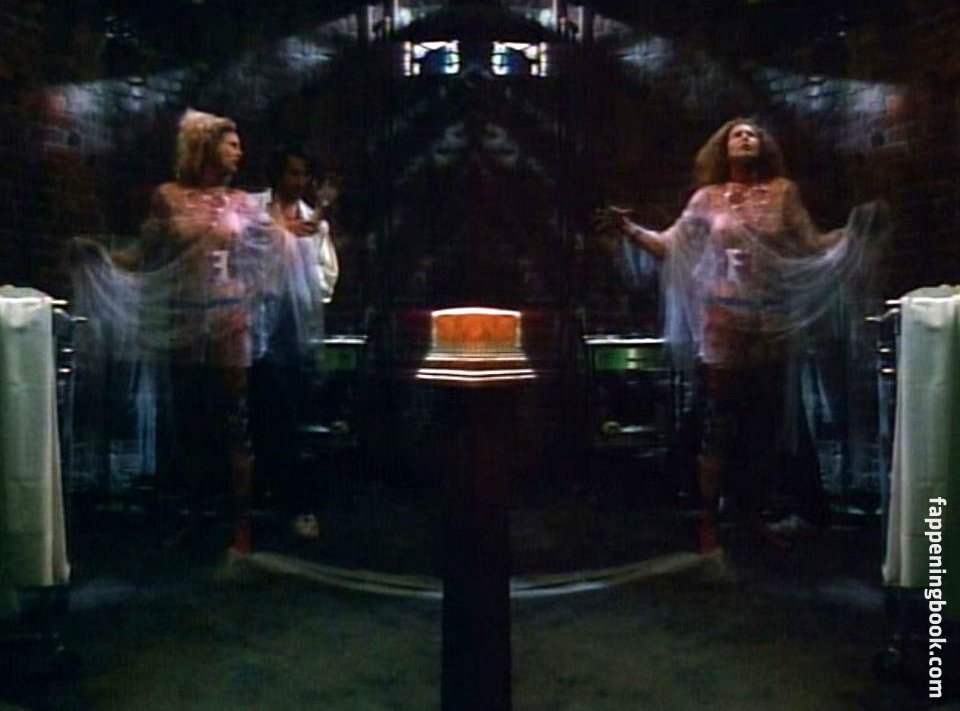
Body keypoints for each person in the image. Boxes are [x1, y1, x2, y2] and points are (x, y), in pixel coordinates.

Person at [595, 118, 887, 554]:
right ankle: (709, 522)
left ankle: (752, 518)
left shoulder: (783, 192)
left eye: (754, 133)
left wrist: (852, 235)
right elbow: (671, 246)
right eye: (738, 134)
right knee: (719, 424)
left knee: (764, 428)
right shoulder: (707, 198)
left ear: (765, 145)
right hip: (724, 320)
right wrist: (630, 230)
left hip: (770, 322)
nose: (747, 137)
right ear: (723, 148)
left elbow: (809, 246)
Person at [72, 109, 316, 559]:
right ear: (205, 146)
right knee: (188, 425)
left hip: (229, 319)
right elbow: (146, 255)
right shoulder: (168, 198)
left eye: (240, 143)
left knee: (234, 424)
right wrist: (101, 258)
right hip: (184, 320)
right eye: (230, 143)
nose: (239, 151)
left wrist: (258, 282)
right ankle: (194, 514)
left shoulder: (243, 204)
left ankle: (240, 526)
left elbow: (271, 250)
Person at [251, 148, 340, 539]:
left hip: (297, 332)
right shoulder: (254, 211)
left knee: (295, 416)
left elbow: (326, 278)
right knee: (264, 415)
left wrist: (299, 282)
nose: (298, 181)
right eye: (292, 173)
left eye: (304, 174)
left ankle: (298, 503)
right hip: (256, 328)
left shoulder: (313, 223)